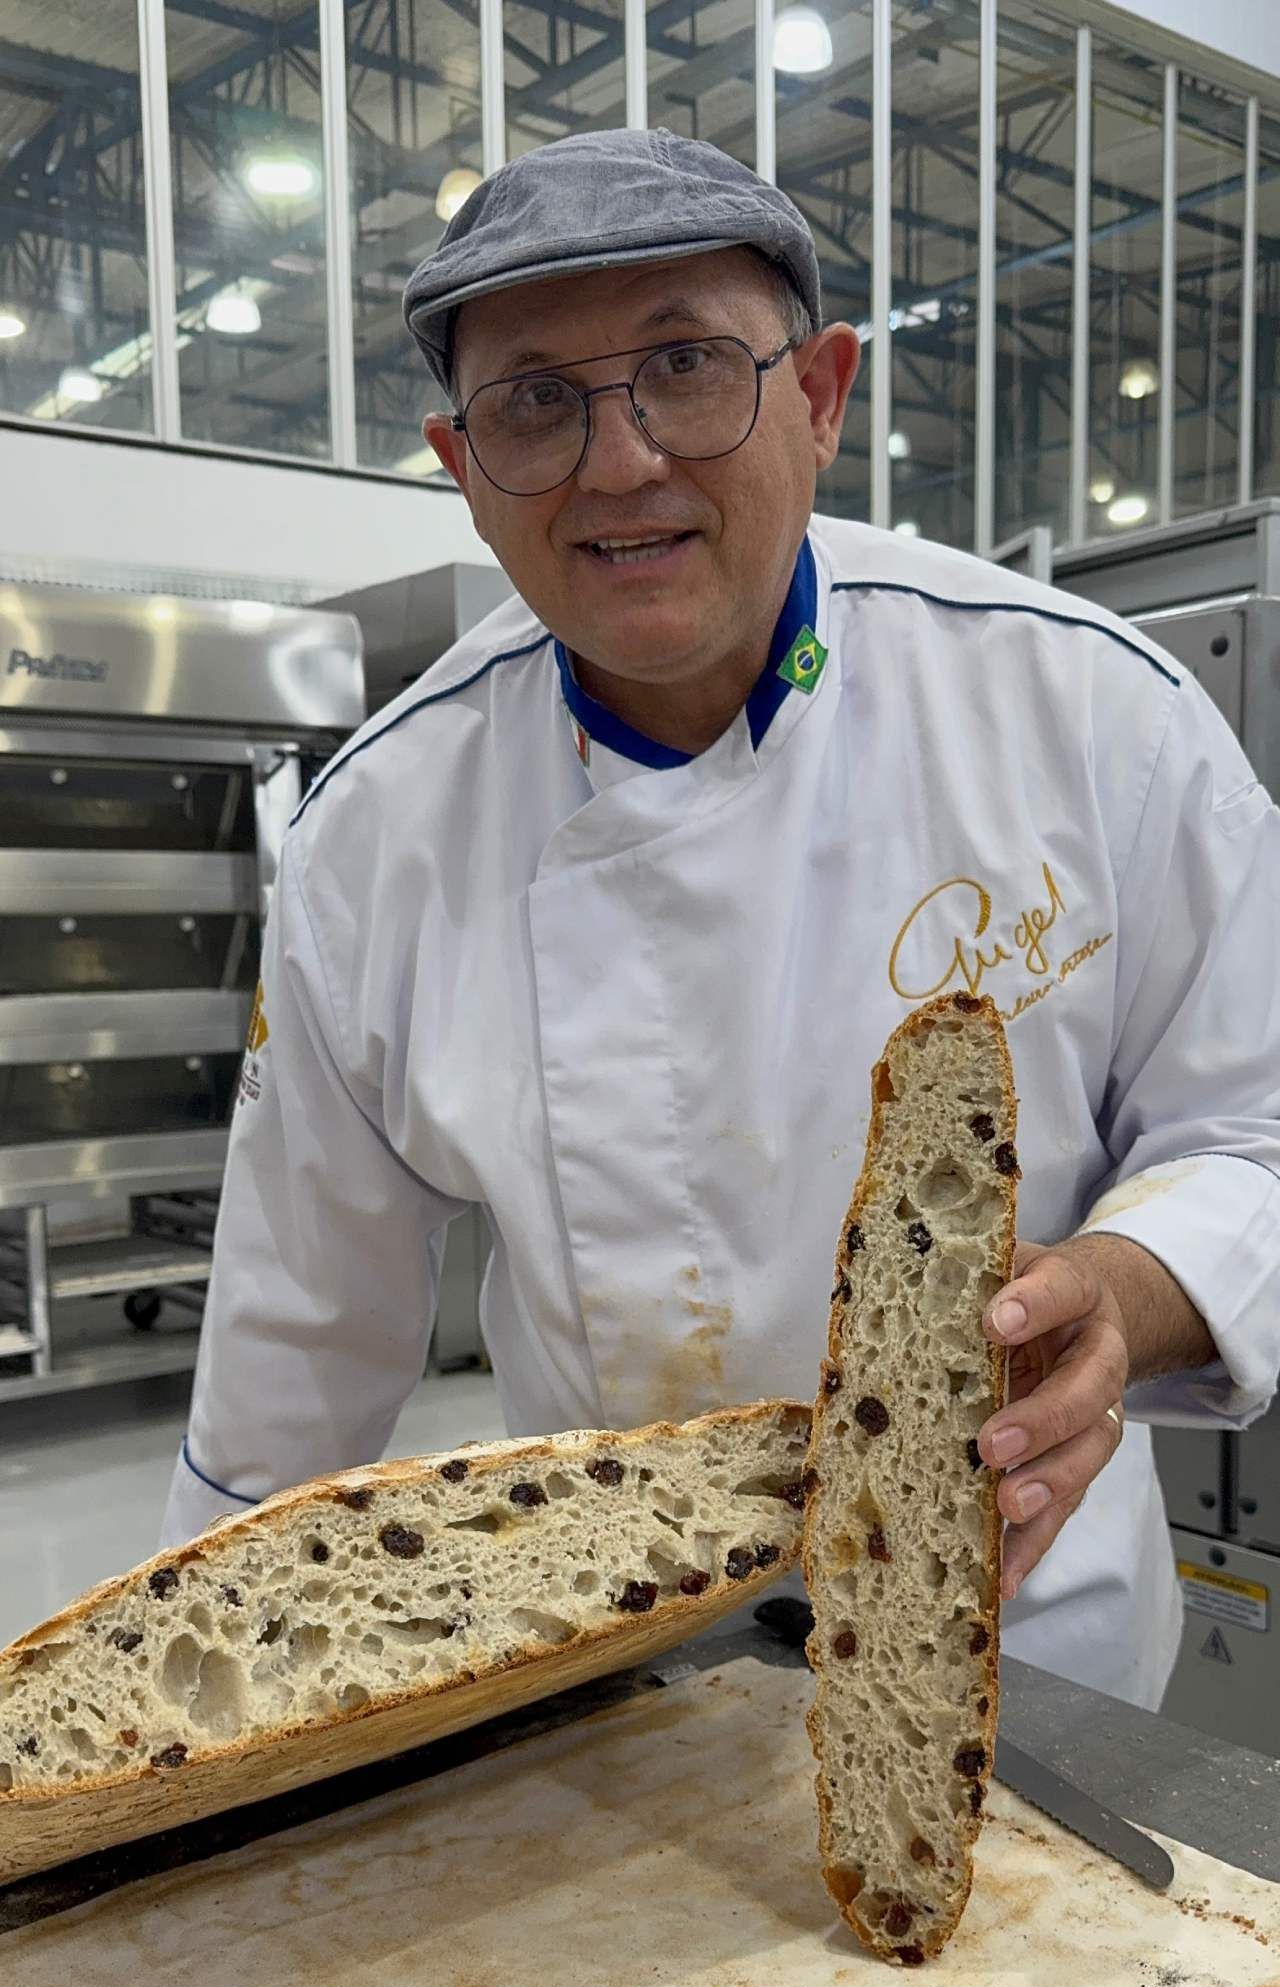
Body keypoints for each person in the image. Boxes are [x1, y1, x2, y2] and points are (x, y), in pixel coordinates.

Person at [161, 128, 1280, 1712]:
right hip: (611, 1674)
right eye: (535, 402)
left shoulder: (1091, 714)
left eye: (689, 366)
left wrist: (1121, 1287)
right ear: (461, 465)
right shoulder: (376, 843)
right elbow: (292, 1362)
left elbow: (1256, 1138)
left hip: (1031, 1649)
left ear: (820, 396)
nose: (621, 463)